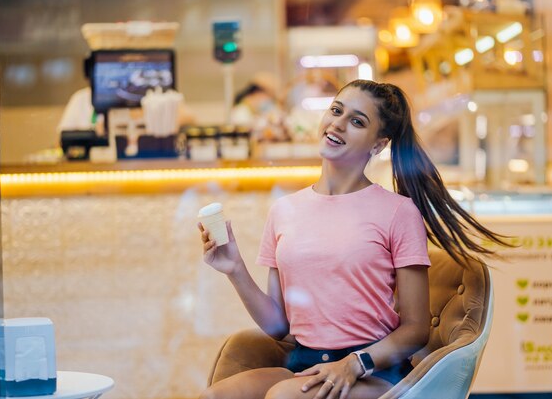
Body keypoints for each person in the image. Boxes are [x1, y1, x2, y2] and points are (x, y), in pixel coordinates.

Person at [197, 80, 509, 399]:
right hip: (303, 365)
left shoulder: (399, 212)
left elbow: (416, 330)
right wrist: (234, 269)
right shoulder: (284, 210)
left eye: (357, 121)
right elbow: (279, 327)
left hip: (373, 372)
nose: (338, 124)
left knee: (284, 396)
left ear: (378, 144)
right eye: (336, 110)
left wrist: (354, 364)